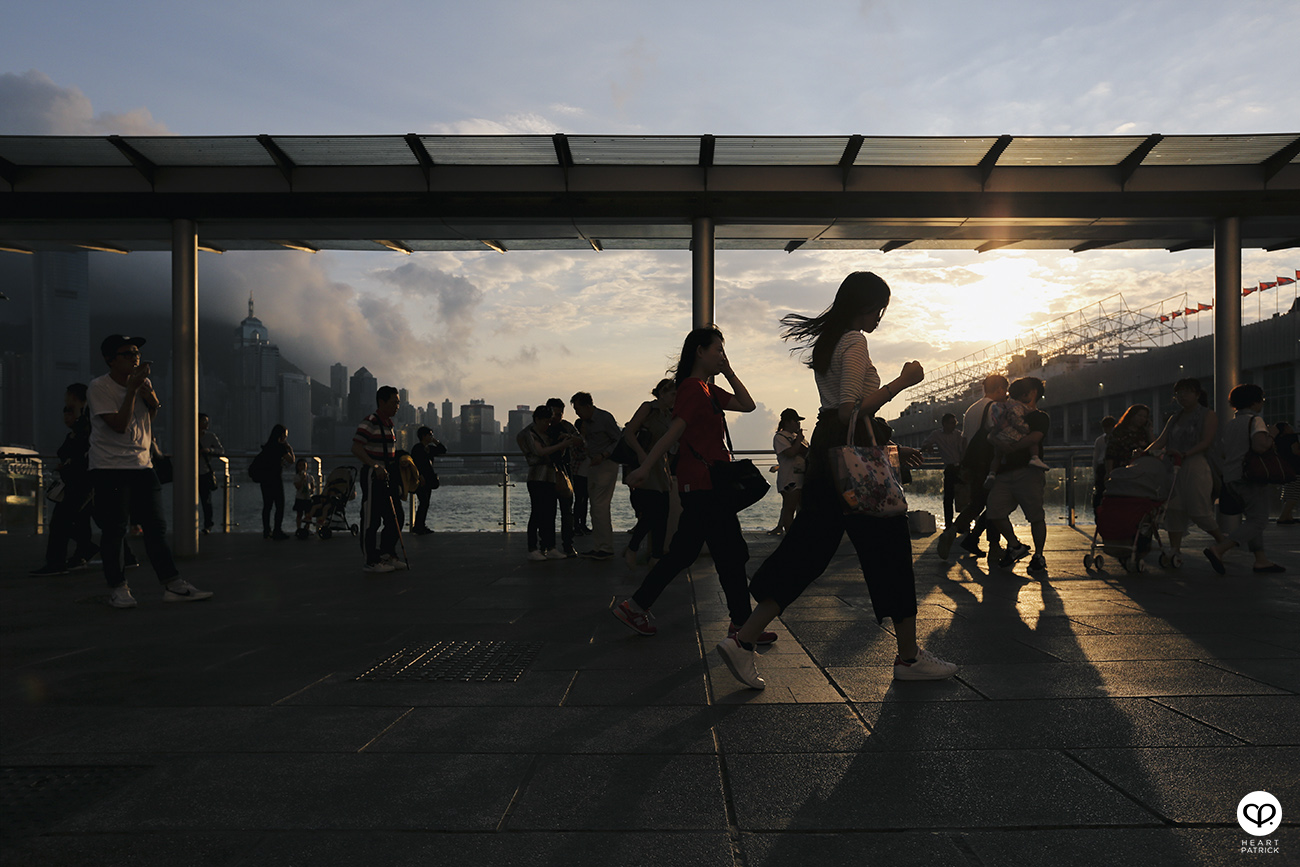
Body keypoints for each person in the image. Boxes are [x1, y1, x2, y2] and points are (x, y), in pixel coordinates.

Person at [717, 273, 956, 690]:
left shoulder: (830, 343)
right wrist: (903, 382)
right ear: (863, 306)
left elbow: (839, 415)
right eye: (877, 307)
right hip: (849, 454)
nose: (880, 316)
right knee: (890, 548)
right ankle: (909, 658)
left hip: (830, 456)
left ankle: (745, 638)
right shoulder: (854, 342)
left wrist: (887, 437)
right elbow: (849, 410)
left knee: (808, 549)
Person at [613, 325, 759, 638]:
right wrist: (645, 467)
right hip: (703, 484)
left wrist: (730, 371)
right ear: (700, 351)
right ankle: (742, 625)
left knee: (691, 552)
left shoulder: (708, 390)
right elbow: (674, 432)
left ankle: (636, 607)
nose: (721, 355)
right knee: (729, 553)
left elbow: (748, 405)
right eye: (717, 349)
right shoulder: (692, 389)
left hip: (707, 485)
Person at [87, 334, 212, 608]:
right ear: (110, 359)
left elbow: (146, 420)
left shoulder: (144, 383)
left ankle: (173, 584)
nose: (135, 357)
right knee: (115, 529)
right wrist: (132, 390)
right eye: (127, 353)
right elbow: (119, 425)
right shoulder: (99, 388)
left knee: (156, 528)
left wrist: (151, 399)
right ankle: (118, 588)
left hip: (142, 465)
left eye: (137, 353)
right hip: (110, 467)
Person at [1143, 379, 1227, 565]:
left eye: (1187, 392)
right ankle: (1175, 550)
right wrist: (1144, 452)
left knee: (1199, 509)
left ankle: (1223, 543)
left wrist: (1186, 453)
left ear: (1197, 394)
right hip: (1173, 466)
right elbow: (1162, 440)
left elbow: (1206, 441)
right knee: (1173, 508)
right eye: (1179, 393)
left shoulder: (1207, 415)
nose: (1182, 396)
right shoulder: (1175, 417)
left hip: (1196, 464)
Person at [1204, 384, 1284, 575]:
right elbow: (1260, 446)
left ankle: (1261, 560)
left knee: (1253, 519)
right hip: (1250, 476)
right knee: (1258, 520)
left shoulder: (1231, 424)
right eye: (1262, 400)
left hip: (1231, 477)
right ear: (1256, 402)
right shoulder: (1256, 421)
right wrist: (1272, 435)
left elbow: (1223, 451)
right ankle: (1220, 549)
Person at [937, 374, 1009, 560]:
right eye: (1005, 390)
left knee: (978, 503)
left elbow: (965, 441)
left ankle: (952, 531)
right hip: (989, 462)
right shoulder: (995, 407)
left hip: (973, 463)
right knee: (996, 504)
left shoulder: (971, 409)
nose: (1006, 394)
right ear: (999, 389)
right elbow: (998, 433)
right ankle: (993, 546)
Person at [30, 383, 98, 575]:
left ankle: (57, 562)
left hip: (81, 480)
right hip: (83, 479)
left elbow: (81, 449)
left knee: (60, 521)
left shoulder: (85, 422)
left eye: (68, 399)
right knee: (83, 519)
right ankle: (83, 553)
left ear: (75, 397)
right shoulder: (86, 420)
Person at [984, 377, 1049, 572]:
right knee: (994, 511)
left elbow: (1035, 437)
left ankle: (1038, 555)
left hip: (1028, 472)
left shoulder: (1039, 417)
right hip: (1004, 473)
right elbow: (990, 432)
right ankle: (1015, 545)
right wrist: (996, 440)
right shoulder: (1005, 411)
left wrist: (1009, 447)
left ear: (1034, 393)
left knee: (1035, 516)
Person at [351, 386, 407, 574]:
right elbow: (356, 448)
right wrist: (374, 465)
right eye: (394, 402)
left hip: (388, 474)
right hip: (373, 475)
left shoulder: (390, 424)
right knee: (371, 519)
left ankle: (386, 553)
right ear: (381, 402)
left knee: (396, 515)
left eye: (398, 402)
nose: (397, 406)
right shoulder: (370, 422)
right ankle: (370, 561)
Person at [621, 378, 677, 565]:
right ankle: (633, 547)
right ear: (662, 393)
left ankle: (656, 555)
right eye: (672, 394)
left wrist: (668, 472)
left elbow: (667, 447)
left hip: (660, 467)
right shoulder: (648, 408)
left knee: (663, 513)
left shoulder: (668, 415)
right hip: (645, 465)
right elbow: (629, 432)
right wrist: (640, 454)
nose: (674, 398)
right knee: (652, 513)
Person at [517, 405, 581, 561]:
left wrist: (561, 443)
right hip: (537, 477)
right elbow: (540, 452)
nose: (548, 424)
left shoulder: (546, 433)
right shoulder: (528, 434)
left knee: (550, 513)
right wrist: (561, 445)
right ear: (537, 419)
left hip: (550, 477)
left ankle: (549, 546)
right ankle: (533, 548)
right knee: (537, 513)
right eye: (546, 421)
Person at [571, 391, 622, 560]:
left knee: (599, 506)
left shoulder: (604, 418)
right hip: (593, 464)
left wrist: (604, 455)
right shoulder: (587, 423)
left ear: (587, 406)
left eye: (578, 409)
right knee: (595, 506)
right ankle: (599, 546)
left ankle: (605, 547)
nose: (577, 413)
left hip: (605, 464)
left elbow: (618, 439)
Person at [546, 397, 580, 555]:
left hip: (565, 471)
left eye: (559, 414)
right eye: (553, 414)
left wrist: (570, 439)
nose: (556, 418)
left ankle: (567, 545)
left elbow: (581, 441)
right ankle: (549, 545)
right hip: (547, 473)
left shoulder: (566, 427)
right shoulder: (542, 429)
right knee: (548, 512)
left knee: (567, 511)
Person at [768, 408, 808, 536]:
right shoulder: (780, 437)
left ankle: (797, 531)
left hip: (801, 477)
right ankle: (790, 535)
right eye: (796, 421)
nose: (798, 424)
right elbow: (790, 453)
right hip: (789, 478)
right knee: (789, 508)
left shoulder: (797, 437)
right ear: (788, 422)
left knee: (801, 508)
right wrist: (799, 440)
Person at [920, 412, 964, 528]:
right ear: (944, 424)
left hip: (960, 467)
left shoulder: (958, 435)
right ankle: (949, 524)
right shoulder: (937, 434)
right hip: (950, 468)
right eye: (951, 423)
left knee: (962, 497)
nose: (953, 426)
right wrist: (929, 446)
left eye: (954, 423)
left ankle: (963, 524)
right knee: (948, 498)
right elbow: (924, 444)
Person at [256, 424, 294, 540]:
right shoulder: (280, 447)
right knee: (279, 505)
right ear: (282, 435)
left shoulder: (267, 446)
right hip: (276, 479)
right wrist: (290, 448)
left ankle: (266, 530)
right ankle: (277, 530)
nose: (286, 438)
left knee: (267, 506)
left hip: (265, 480)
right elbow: (291, 460)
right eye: (285, 436)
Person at [410, 426, 447, 535]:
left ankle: (420, 525)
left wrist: (436, 442)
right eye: (430, 435)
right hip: (421, 479)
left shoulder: (429, 448)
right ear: (424, 436)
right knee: (424, 502)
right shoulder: (417, 448)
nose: (432, 436)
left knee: (425, 503)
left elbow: (443, 450)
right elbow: (415, 463)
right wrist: (419, 476)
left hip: (428, 480)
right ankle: (418, 526)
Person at [1105, 404, 1152, 475]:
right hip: (1121, 470)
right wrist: (1109, 473)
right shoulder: (1119, 431)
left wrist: (1150, 431)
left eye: (1145, 417)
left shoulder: (1144, 432)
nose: (1142, 419)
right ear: (1132, 416)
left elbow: (1154, 447)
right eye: (1139, 415)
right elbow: (1110, 453)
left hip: (1141, 471)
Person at [198, 412, 224, 534]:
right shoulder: (189, 435)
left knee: (206, 501)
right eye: (204, 421)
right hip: (190, 473)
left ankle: (208, 525)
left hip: (203, 472)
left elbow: (221, 450)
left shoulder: (210, 436)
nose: (207, 424)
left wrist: (209, 450)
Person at [1274, 422, 1300, 525]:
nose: (1291, 428)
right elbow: (1295, 451)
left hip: (1285, 469)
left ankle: (1289, 517)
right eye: (1289, 426)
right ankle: (1283, 517)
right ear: (1285, 428)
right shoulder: (1292, 437)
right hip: (1296, 468)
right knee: (1294, 494)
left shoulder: (1278, 440)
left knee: (1288, 492)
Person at [1091, 416, 1116, 512]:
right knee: (1100, 491)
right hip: (1102, 467)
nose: (1107, 430)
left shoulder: (1103, 440)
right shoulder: (1100, 440)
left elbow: (1096, 457)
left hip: (1109, 466)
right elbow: (1096, 457)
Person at [292, 458, 317, 539]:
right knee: (299, 514)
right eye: (300, 465)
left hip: (308, 498)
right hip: (300, 498)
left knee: (308, 514)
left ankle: (307, 528)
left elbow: (313, 487)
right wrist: (302, 479)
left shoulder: (310, 477)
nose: (302, 467)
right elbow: (297, 487)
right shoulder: (297, 477)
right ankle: (298, 528)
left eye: (304, 465)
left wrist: (312, 490)